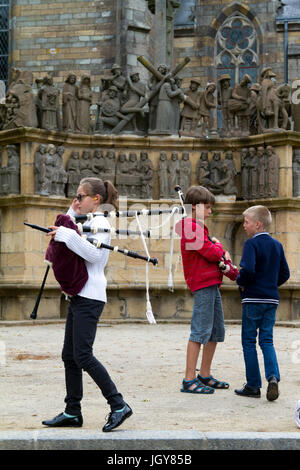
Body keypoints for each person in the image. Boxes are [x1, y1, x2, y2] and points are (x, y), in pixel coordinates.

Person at [42, 177, 132, 432]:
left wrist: (68, 234)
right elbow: (70, 226)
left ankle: (118, 405)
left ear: (96, 200)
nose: (77, 199)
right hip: (80, 295)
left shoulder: (101, 221)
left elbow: (96, 256)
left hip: (90, 296)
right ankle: (72, 411)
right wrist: (70, 216)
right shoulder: (89, 220)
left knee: (82, 354)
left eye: (80, 196)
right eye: (76, 196)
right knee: (69, 355)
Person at [175, 185, 239, 394]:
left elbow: (211, 250)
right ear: (195, 207)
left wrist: (215, 246)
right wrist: (219, 246)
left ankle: (204, 374)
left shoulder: (198, 228)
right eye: (208, 208)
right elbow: (211, 253)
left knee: (215, 331)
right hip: (203, 284)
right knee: (199, 331)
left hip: (212, 283)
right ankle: (189, 379)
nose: (211, 212)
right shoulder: (190, 228)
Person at [235, 205, 290, 401]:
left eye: (246, 222)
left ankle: (253, 385)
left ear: (257, 225)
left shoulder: (251, 244)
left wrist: (240, 282)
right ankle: (273, 377)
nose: (244, 225)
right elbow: (285, 273)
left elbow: (247, 271)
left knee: (248, 341)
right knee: (267, 340)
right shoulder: (277, 245)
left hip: (253, 300)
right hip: (271, 299)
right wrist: (270, 285)